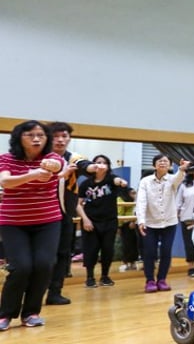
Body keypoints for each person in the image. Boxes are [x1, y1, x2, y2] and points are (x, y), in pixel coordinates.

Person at [0, 120, 66, 330]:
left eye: (41, 135)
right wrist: (33, 175)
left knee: (44, 265)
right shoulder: (6, 159)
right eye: (30, 135)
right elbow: (5, 182)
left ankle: (31, 312)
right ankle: (6, 313)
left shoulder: (51, 157)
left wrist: (52, 167)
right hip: (13, 222)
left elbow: (58, 166)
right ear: (19, 138)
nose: (36, 139)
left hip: (48, 221)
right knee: (21, 267)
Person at [45, 121, 91, 306]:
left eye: (64, 136)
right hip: (41, 214)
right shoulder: (41, 158)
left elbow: (83, 164)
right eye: (56, 136)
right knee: (43, 255)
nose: (60, 140)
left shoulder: (73, 158)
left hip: (64, 213)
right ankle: (32, 291)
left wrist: (92, 167)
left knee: (63, 253)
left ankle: (55, 292)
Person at [77, 154, 131, 288]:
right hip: (91, 222)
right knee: (91, 250)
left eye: (104, 163)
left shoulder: (111, 180)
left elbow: (117, 180)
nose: (101, 165)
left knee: (108, 249)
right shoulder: (85, 184)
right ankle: (90, 277)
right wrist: (85, 220)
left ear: (108, 166)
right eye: (98, 162)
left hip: (109, 221)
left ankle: (105, 276)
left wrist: (122, 182)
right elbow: (78, 204)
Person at [135, 154, 187, 293]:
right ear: (154, 165)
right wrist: (141, 221)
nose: (163, 163)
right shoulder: (145, 181)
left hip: (169, 222)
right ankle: (150, 280)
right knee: (149, 253)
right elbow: (141, 201)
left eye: (166, 161)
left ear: (170, 165)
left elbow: (178, 179)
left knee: (166, 251)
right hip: (150, 223)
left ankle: (162, 279)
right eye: (160, 161)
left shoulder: (172, 179)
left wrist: (181, 170)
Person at [117, 188, 140, 271]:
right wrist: (119, 227)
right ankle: (125, 262)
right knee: (126, 244)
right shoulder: (121, 199)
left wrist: (134, 221)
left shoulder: (136, 199)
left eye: (135, 193)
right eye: (132, 193)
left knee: (134, 244)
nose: (134, 195)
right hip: (125, 224)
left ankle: (133, 262)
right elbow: (119, 213)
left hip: (135, 222)